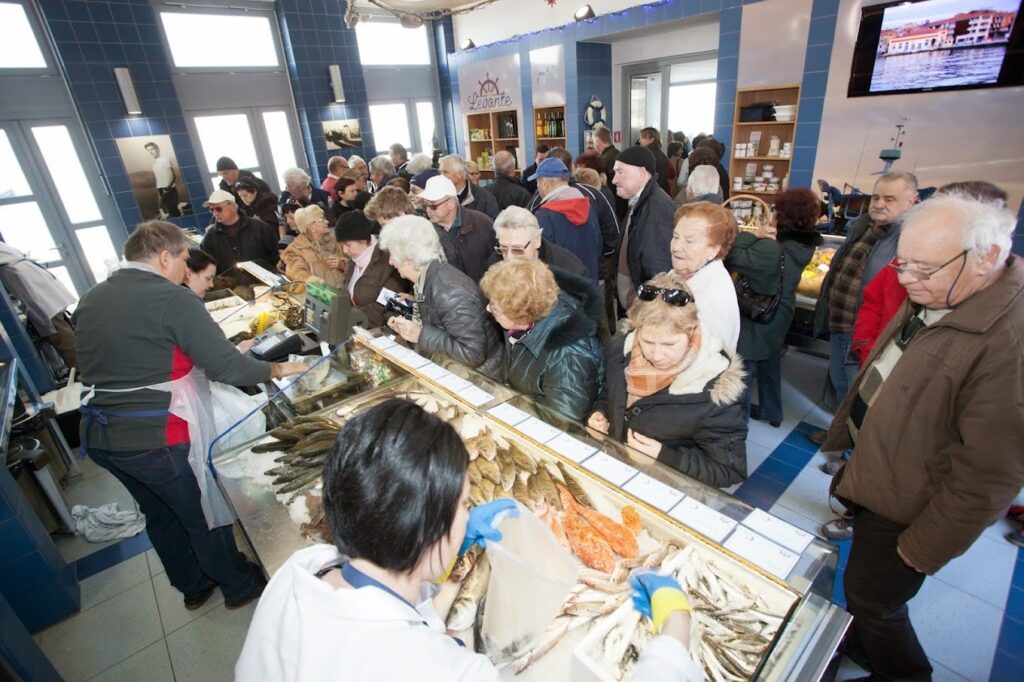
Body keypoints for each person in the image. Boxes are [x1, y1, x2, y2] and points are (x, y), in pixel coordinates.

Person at [236, 398, 704, 681]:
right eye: (462, 505)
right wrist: (674, 633)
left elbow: (384, 615)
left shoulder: (305, 569)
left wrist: (449, 551)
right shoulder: (440, 672)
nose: (469, 513)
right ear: (423, 532)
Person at [824, 194, 1023, 682]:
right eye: (902, 263)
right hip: (883, 472)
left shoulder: (1009, 344)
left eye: (923, 270)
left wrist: (923, 548)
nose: (905, 279)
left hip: (911, 503)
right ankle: (861, 645)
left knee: (876, 598)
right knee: (862, 586)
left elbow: (988, 474)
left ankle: (904, 673)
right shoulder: (939, 290)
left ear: (988, 259)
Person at [74, 221, 306, 614]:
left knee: (160, 515)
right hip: (158, 433)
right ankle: (237, 585)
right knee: (199, 511)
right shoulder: (171, 298)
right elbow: (229, 369)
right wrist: (280, 370)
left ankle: (193, 586)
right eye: (183, 259)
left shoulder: (92, 298)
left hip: (101, 433)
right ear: (164, 256)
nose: (186, 269)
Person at [588, 271, 747, 487]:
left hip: (664, 491)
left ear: (691, 332)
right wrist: (601, 413)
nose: (656, 354)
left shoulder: (714, 389)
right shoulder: (622, 349)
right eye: (647, 341)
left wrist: (665, 457)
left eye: (669, 344)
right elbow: (610, 394)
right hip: (617, 475)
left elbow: (728, 470)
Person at [850, 180, 1009, 366]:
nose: (905, 278)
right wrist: (868, 349)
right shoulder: (910, 256)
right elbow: (873, 301)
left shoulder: (1007, 332)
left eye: (926, 268)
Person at [812, 171, 918, 413]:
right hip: (842, 322)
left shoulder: (910, 239)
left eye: (889, 199)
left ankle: (852, 447)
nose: (879, 204)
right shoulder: (863, 226)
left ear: (911, 201)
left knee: (859, 391)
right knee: (841, 380)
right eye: (876, 197)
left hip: (867, 331)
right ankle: (839, 434)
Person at [725, 188, 822, 427]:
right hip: (782, 313)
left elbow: (732, 254)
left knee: (743, 369)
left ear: (781, 215)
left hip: (759, 315)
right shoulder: (803, 247)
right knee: (769, 362)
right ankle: (772, 411)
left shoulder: (771, 248)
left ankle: (738, 424)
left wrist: (755, 235)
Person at [480, 259, 604, 421]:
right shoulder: (521, 323)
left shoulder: (567, 357)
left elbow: (564, 422)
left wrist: (513, 408)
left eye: (495, 308)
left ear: (521, 315)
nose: (488, 308)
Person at [379, 215, 502, 379]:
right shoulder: (429, 276)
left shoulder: (450, 291)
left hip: (480, 380)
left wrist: (420, 335)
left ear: (408, 259)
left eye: (393, 254)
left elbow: (473, 354)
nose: (390, 262)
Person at [612, 146, 676, 310]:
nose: (614, 180)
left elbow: (658, 271)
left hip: (645, 311)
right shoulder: (640, 203)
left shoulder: (656, 210)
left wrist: (650, 313)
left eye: (620, 172)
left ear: (641, 173)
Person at [671, 202, 740, 353]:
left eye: (689, 240)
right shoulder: (681, 273)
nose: (676, 246)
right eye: (675, 237)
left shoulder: (714, 298)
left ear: (714, 249)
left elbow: (713, 362)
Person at [0, 242, 78, 369]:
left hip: (27, 282)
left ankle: (80, 367)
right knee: (58, 325)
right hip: (28, 278)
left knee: (56, 328)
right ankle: (78, 366)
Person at [530, 158, 603, 284]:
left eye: (537, 182)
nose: (537, 186)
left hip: (562, 291)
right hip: (589, 285)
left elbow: (542, 260)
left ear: (545, 183)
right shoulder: (588, 208)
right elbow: (598, 246)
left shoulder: (544, 216)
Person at [418, 175, 497, 284]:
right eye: (425, 205)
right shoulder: (425, 232)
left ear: (451, 203)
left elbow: (498, 265)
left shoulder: (483, 224)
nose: (428, 210)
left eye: (433, 206)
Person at [336, 211, 408, 328]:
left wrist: (346, 315)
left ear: (363, 240)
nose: (344, 251)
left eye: (348, 245)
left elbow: (386, 309)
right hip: (355, 328)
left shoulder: (388, 261)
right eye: (341, 245)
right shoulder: (354, 258)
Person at [200, 189, 279, 274]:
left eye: (218, 209)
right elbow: (206, 268)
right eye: (211, 210)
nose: (215, 213)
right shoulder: (210, 237)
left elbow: (276, 256)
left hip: (264, 284)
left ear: (233, 206)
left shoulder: (260, 228)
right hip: (230, 285)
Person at [280, 205, 344, 288]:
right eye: (322, 219)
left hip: (345, 296)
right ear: (311, 226)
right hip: (320, 298)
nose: (327, 221)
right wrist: (314, 283)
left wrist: (341, 264)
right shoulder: (296, 249)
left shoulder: (335, 240)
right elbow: (296, 273)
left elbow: (353, 262)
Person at [439, 154, 499, 219]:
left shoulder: (484, 198)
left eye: (445, 172)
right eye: (440, 172)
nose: (441, 176)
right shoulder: (438, 196)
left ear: (459, 174)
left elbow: (493, 225)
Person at [144, 141, 180, 218]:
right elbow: (159, 180)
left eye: (152, 149)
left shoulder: (164, 160)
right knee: (166, 213)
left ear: (157, 149)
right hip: (161, 190)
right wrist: (159, 194)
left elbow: (172, 176)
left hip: (169, 190)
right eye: (149, 150)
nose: (151, 152)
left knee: (173, 212)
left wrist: (167, 188)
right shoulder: (154, 164)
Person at [638, 128, 671, 196]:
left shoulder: (647, 155)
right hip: (661, 191)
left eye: (642, 138)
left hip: (651, 193)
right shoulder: (661, 154)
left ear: (651, 139)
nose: (639, 141)